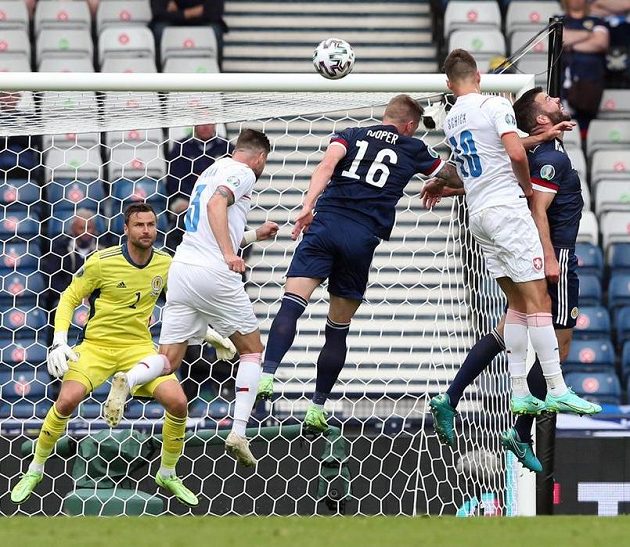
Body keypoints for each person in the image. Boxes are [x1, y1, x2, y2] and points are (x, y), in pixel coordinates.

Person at [255, 94, 461, 434]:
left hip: (325, 225)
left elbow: (326, 165)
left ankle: (267, 374)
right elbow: (452, 176)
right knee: (337, 327)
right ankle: (317, 406)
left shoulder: (350, 134)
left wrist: (307, 205)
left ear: (386, 116)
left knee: (291, 305)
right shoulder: (413, 149)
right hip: (362, 238)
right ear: (410, 125)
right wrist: (443, 182)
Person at [429, 50, 600, 442]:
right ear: (478, 76)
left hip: (479, 215)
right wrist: (524, 185)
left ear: (448, 84)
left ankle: (521, 396)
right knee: (538, 302)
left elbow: (488, 159)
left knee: (520, 310)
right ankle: (556, 389)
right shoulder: (493, 105)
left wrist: (448, 183)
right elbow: (512, 152)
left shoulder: (453, 118)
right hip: (507, 213)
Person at [104, 129, 277, 468]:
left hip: (182, 269)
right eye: (264, 163)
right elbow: (217, 206)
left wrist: (255, 234)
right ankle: (239, 432)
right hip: (213, 271)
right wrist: (230, 255)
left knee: (168, 360)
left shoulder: (211, 169)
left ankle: (129, 379)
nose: (262, 168)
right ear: (259, 157)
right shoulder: (241, 172)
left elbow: (208, 224)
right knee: (252, 352)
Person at [10, 204, 199, 508]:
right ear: (126, 229)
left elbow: (186, 303)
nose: (146, 230)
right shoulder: (101, 261)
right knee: (67, 400)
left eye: (151, 224)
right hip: (96, 346)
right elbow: (69, 297)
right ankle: (36, 469)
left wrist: (211, 334)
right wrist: (60, 341)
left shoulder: (167, 263)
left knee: (178, 403)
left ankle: (167, 472)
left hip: (138, 347)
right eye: (139, 225)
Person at [166, 123, 233, 253]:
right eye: (201, 123)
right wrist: (196, 198)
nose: (205, 127)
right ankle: (178, 254)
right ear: (194, 125)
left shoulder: (226, 147)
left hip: (217, 197)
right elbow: (174, 180)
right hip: (187, 198)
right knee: (180, 218)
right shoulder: (181, 147)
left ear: (215, 124)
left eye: (208, 123)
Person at [561, 0, 610, 137]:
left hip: (591, 81)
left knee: (587, 122)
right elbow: (561, 39)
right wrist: (588, 34)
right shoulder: (560, 19)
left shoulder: (597, 21)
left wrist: (572, 45)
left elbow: (601, 43)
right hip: (565, 80)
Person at [41, 209, 102, 312]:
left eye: (89, 228)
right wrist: (73, 296)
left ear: (94, 229)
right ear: (73, 229)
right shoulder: (60, 249)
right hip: (67, 298)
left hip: (96, 300)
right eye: (81, 228)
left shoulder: (103, 250)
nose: (86, 232)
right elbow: (53, 279)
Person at [150, 0, 228, 68]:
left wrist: (181, 13)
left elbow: (216, 9)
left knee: (215, 31)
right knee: (159, 30)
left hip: (203, 21)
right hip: (172, 21)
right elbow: (158, 11)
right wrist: (196, 11)